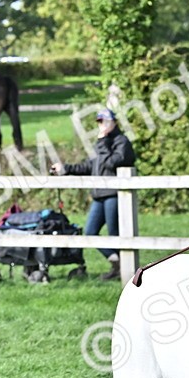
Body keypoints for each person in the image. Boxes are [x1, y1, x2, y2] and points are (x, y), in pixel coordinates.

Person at [50, 108, 136, 280]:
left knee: (115, 234)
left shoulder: (121, 142)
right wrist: (64, 168)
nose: (101, 125)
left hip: (114, 195)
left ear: (114, 122)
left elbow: (111, 163)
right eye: (99, 121)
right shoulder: (101, 144)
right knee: (90, 232)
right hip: (99, 197)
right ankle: (117, 263)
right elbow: (88, 167)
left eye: (105, 121)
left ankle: (125, 271)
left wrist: (103, 141)